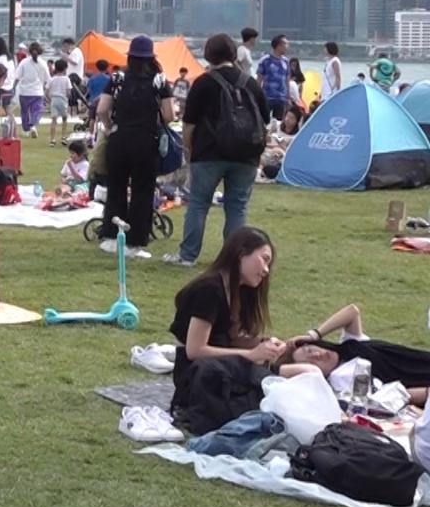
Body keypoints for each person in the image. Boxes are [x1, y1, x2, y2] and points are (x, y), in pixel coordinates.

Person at [164, 33, 269, 268]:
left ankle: (188, 255)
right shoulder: (250, 83)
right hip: (246, 155)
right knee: (237, 206)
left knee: (199, 203)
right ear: (233, 54)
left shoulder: (203, 83)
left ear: (209, 55)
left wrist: (190, 151)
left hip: (209, 153)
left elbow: (189, 124)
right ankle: (234, 259)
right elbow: (265, 120)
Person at [169, 227, 290, 421]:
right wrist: (250, 355)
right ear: (242, 253)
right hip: (198, 377)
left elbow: (229, 337)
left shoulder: (236, 290)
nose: (266, 271)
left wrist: (264, 344)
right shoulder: (210, 289)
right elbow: (195, 349)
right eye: (264, 259)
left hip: (220, 370)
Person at [95, 35, 174, 259]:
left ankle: (111, 235)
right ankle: (137, 239)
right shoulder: (159, 80)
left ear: (129, 56)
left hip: (119, 139)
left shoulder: (117, 77)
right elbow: (169, 115)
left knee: (116, 188)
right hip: (146, 141)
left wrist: (111, 127)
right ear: (151, 58)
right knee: (142, 191)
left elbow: (102, 109)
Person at [282, 303, 430, 406]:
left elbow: (352, 312)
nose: (317, 355)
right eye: (311, 363)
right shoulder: (343, 381)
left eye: (309, 350)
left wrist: (315, 334)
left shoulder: (349, 345)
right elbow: (399, 395)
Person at [15, 42, 51, 138]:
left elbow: (17, 76)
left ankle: (26, 129)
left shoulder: (23, 62)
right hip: (37, 92)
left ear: (29, 51)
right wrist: (47, 90)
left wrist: (13, 88)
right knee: (37, 110)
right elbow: (48, 79)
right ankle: (33, 125)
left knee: (25, 111)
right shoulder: (43, 63)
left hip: (24, 91)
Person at [255, 34, 290, 122]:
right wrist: (257, 96)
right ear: (278, 45)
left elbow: (287, 79)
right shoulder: (265, 60)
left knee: (278, 122)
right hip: (267, 97)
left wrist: (288, 96)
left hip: (281, 98)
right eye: (285, 44)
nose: (287, 47)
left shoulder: (286, 61)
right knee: (263, 120)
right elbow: (259, 79)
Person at [47, 57, 71, 146]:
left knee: (54, 120)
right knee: (64, 119)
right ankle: (63, 137)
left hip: (54, 99)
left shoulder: (52, 79)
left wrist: (49, 99)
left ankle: (52, 139)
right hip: (63, 100)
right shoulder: (66, 79)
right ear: (65, 69)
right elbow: (68, 92)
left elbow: (47, 91)